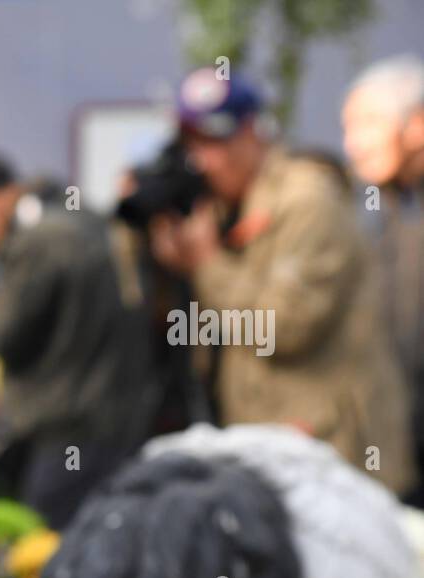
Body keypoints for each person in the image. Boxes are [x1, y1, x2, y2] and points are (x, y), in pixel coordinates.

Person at [150, 68, 415, 495]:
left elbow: (279, 330)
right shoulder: (219, 208)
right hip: (273, 451)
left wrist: (207, 263)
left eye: (217, 141)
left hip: (334, 462)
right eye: (193, 144)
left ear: (255, 133)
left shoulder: (306, 200)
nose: (203, 160)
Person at [0, 152, 157, 527]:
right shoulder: (80, 217)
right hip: (112, 421)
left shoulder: (39, 241)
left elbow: (1, 336)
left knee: (47, 553)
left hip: (71, 430)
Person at [342, 55, 424, 495]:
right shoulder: (377, 211)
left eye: (367, 124)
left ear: (418, 125)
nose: (354, 143)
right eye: (348, 128)